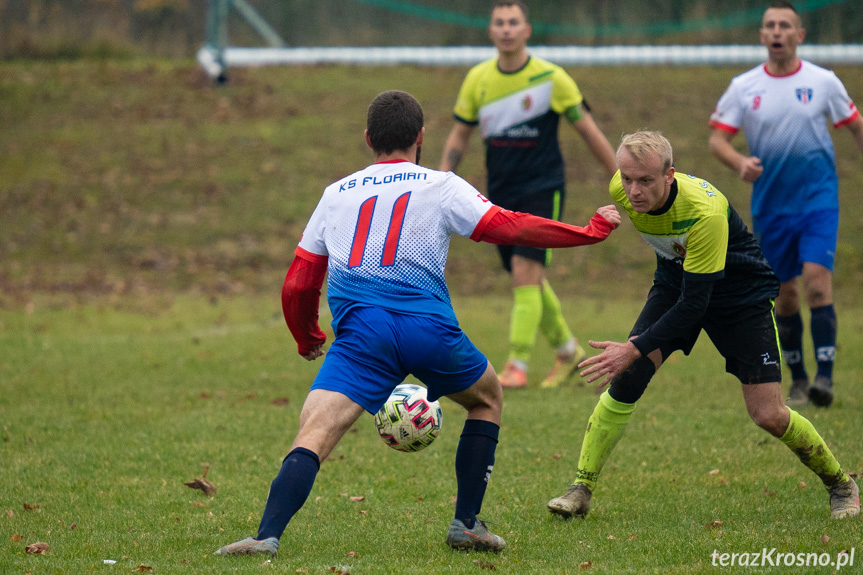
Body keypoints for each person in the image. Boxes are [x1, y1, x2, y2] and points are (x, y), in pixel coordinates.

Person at [215, 90, 621, 557]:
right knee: (487, 398)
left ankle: (266, 536)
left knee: (315, 433)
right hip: (430, 331)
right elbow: (509, 226)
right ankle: (466, 524)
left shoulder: (335, 194)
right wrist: (587, 231)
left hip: (362, 337)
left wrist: (308, 336)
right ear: (421, 137)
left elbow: (299, 282)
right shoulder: (441, 185)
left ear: (368, 138)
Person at [546, 131, 859, 522]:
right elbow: (678, 284)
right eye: (627, 179)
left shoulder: (704, 213)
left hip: (739, 297)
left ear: (669, 175)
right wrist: (603, 219)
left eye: (645, 180)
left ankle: (841, 484)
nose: (633, 190)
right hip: (676, 281)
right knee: (628, 379)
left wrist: (633, 347)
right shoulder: (622, 189)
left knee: (769, 414)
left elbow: (695, 305)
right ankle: (581, 488)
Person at [439, 0, 618, 390]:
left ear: (527, 31)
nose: (506, 29)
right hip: (500, 193)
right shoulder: (477, 79)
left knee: (525, 273)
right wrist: (437, 182)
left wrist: (620, 179)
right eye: (499, 22)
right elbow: (459, 134)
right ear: (491, 30)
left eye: (513, 22)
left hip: (543, 188)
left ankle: (517, 365)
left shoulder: (552, 79)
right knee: (527, 278)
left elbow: (589, 131)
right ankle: (568, 352)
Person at [708, 1, 863, 407]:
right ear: (761, 35)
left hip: (818, 202)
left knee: (816, 282)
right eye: (770, 25)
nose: (777, 31)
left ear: (799, 35)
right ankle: (798, 380)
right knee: (785, 294)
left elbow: (855, 125)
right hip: (771, 207)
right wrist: (740, 161)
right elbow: (717, 139)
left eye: (785, 25)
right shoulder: (745, 87)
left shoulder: (824, 81)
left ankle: (824, 380)